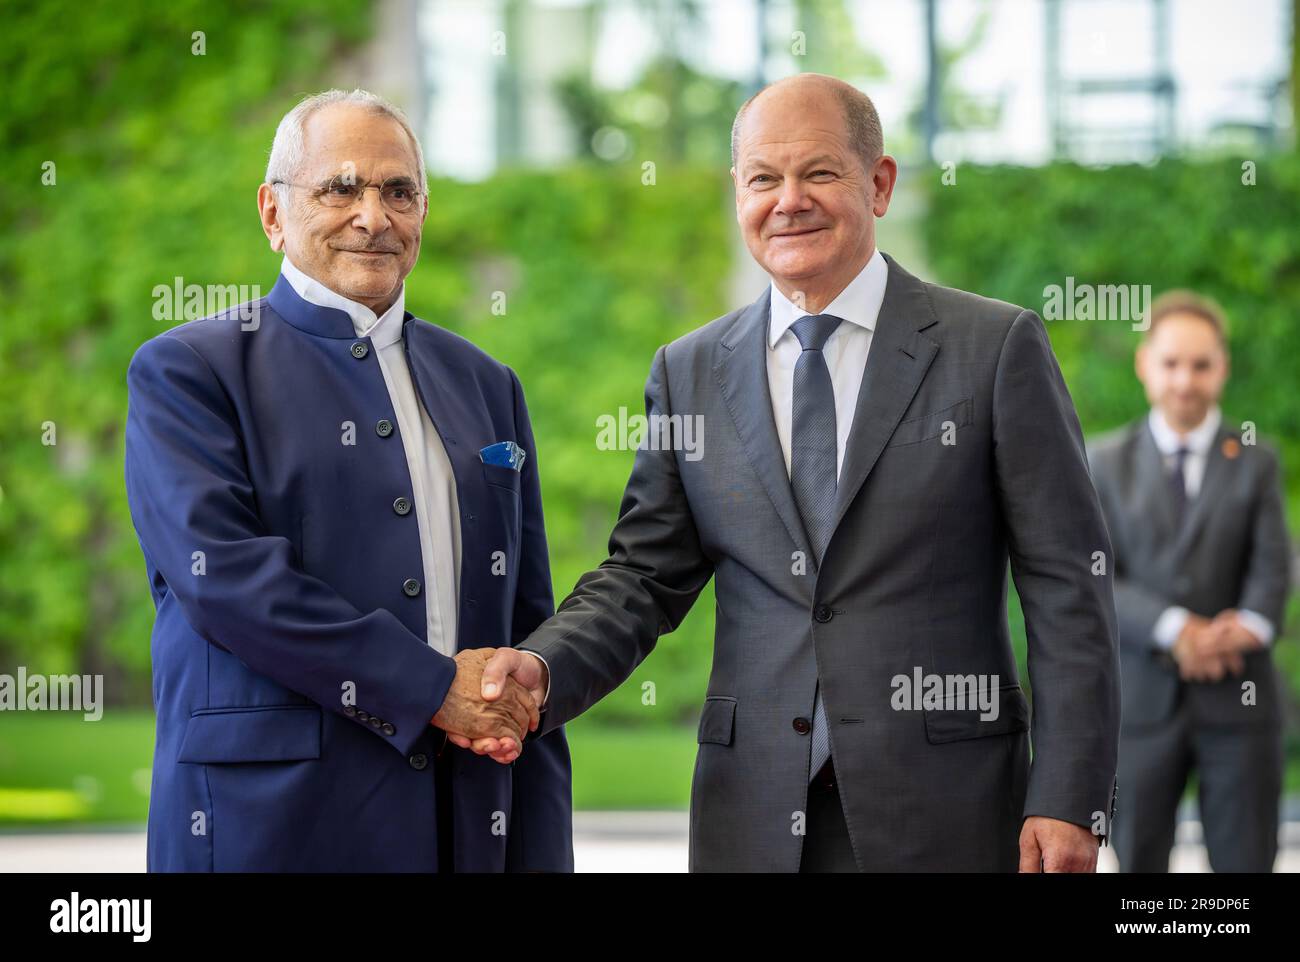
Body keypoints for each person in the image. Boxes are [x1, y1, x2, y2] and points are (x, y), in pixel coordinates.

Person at [464, 73, 1121, 872]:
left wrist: (1069, 795)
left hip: (949, 812)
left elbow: (1067, 584)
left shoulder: (993, 347)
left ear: (877, 184)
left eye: (818, 173)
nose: (789, 201)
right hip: (754, 816)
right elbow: (644, 576)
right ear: (737, 196)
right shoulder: (689, 370)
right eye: (762, 179)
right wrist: (538, 669)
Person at [124, 88, 571, 872]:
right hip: (268, 827)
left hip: (466, 824)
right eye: (340, 187)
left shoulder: (488, 384)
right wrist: (433, 687)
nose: (374, 215)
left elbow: (524, 625)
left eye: (399, 191)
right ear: (272, 213)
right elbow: (230, 583)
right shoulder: (189, 372)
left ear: (423, 212)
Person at [1087, 290, 1291, 872]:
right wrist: (1177, 631)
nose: (1185, 381)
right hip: (1142, 708)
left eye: (1200, 365)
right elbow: (1093, 575)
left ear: (1221, 368)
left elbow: (1273, 568)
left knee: (1246, 870)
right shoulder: (1103, 461)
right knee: (1140, 873)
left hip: (1240, 702)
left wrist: (1242, 631)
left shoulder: (1258, 461)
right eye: (1171, 363)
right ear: (1145, 364)